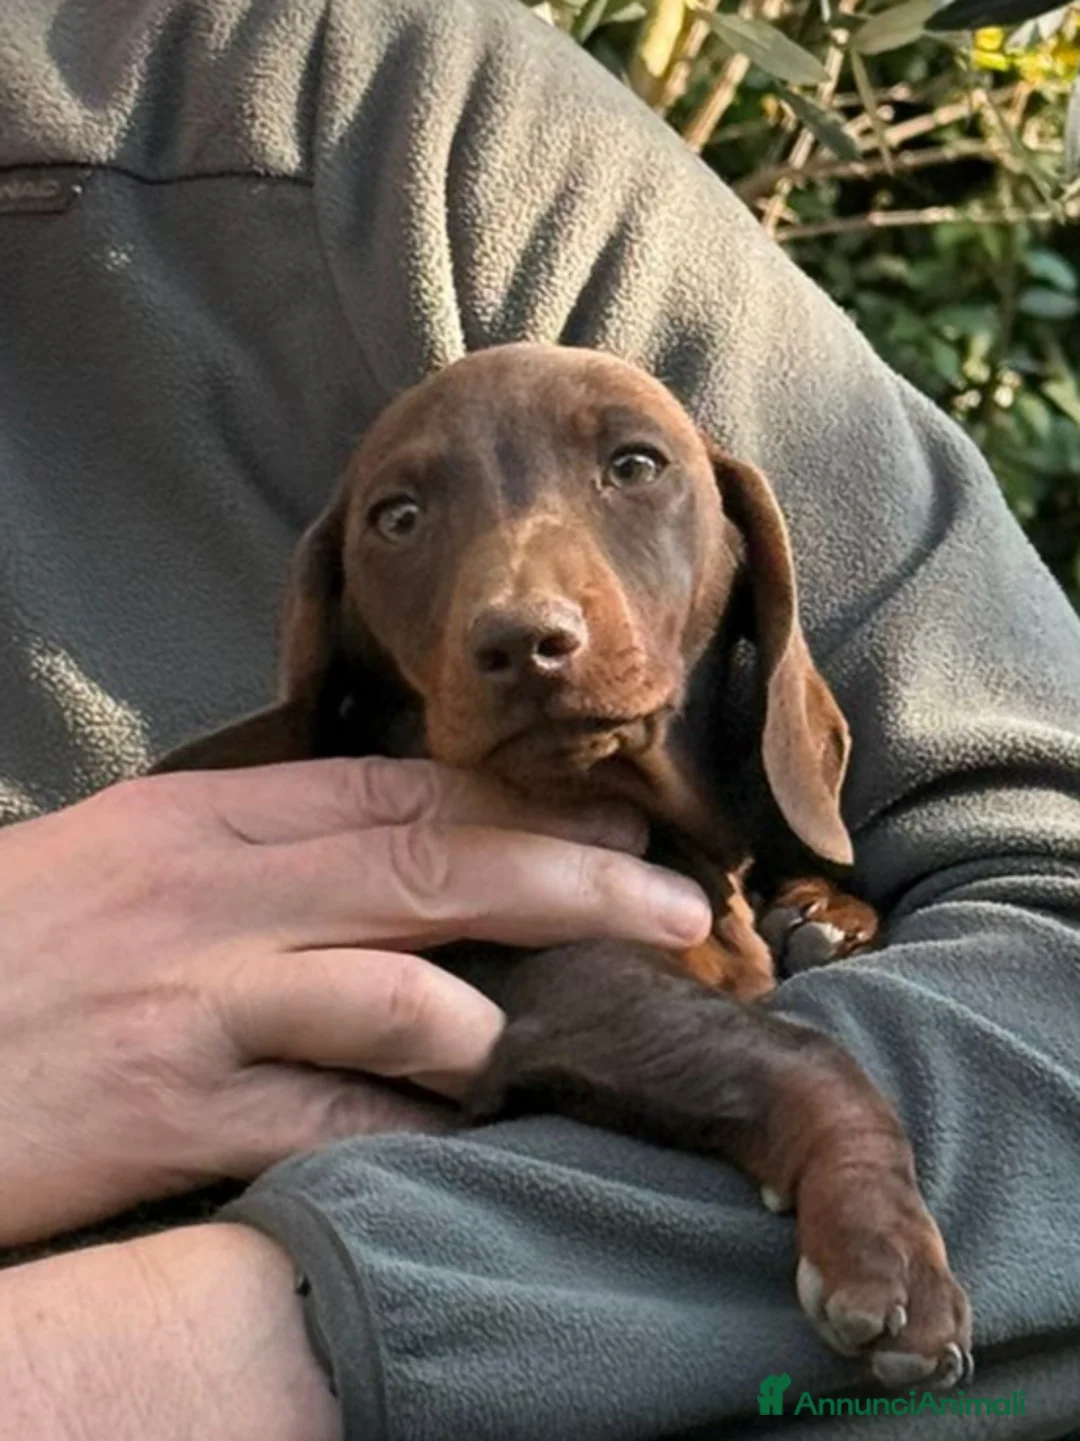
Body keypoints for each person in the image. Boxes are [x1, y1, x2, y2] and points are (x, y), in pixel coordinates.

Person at [2, 1, 1079, 1438]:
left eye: (632, 469)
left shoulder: (373, 114)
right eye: (403, 521)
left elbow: (1052, 953)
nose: (517, 606)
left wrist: (214, 1348)